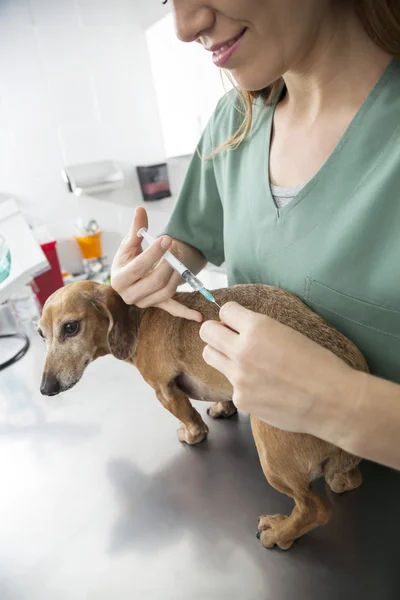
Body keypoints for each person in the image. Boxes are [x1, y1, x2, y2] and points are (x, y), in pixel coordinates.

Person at [111, 0, 400, 471]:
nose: (185, 27)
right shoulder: (233, 123)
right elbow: (192, 239)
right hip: (276, 470)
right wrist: (152, 270)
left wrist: (340, 404)